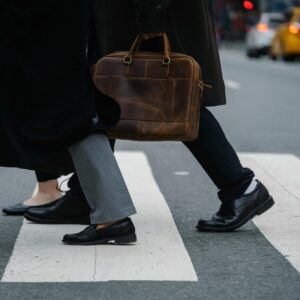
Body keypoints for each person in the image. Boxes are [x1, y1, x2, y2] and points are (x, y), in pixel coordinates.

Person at [25, 0, 274, 233]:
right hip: (136, 16)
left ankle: (241, 187)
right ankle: (86, 195)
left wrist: (151, 15)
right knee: (106, 96)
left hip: (146, 18)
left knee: (177, 100)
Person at [0, 0, 137, 245]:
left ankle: (112, 215)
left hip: (43, 33)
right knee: (73, 114)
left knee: (74, 116)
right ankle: (111, 213)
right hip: (57, 31)